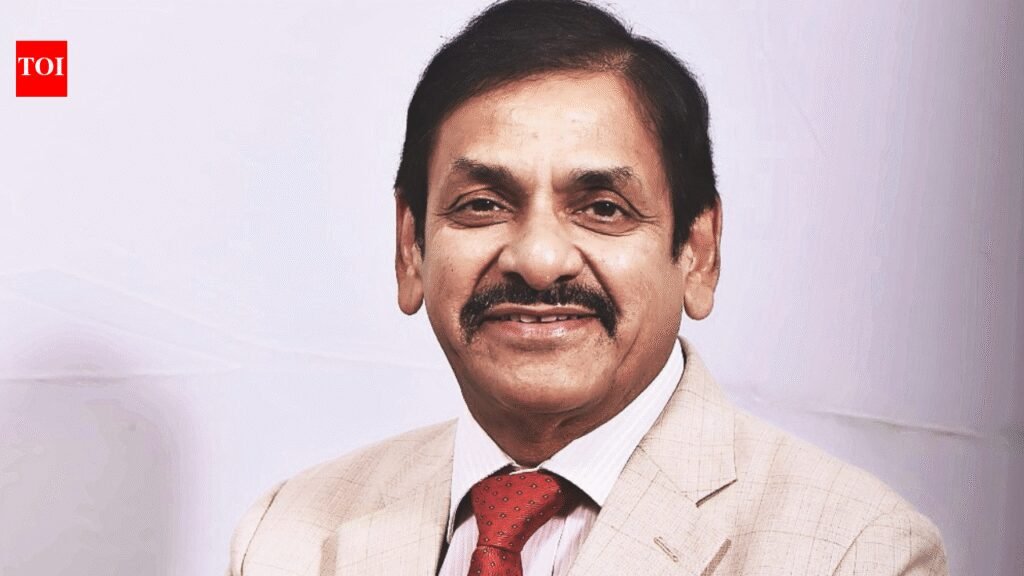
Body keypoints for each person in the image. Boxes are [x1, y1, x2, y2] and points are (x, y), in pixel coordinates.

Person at [227, 1, 947, 574]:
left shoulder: (856, 552)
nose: (539, 261)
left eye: (603, 208)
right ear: (409, 248)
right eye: (483, 204)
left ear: (698, 253)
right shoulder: (288, 537)